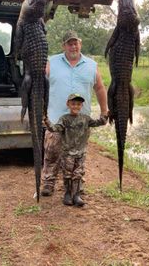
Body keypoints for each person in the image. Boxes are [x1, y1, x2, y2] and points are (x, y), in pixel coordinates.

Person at [41, 30, 108, 196]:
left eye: (76, 42)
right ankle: (48, 182)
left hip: (80, 123)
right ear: (63, 45)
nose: (73, 46)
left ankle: (76, 185)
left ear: (80, 44)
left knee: (77, 156)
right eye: (69, 43)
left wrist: (105, 110)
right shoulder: (51, 62)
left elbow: (99, 88)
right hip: (56, 118)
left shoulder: (92, 65)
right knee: (51, 153)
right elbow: (39, 86)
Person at [44, 93, 108, 206]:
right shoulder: (64, 119)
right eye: (73, 104)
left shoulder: (85, 119)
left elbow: (99, 122)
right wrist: (47, 120)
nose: (76, 106)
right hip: (67, 153)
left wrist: (107, 114)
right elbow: (54, 128)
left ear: (81, 106)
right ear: (68, 104)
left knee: (78, 173)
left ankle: (76, 195)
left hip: (80, 153)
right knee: (68, 174)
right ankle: (68, 194)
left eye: (78, 104)